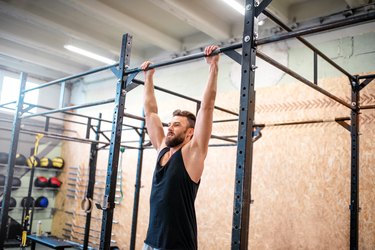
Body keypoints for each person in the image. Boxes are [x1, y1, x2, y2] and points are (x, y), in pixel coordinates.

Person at [141, 45, 220, 250]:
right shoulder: (162, 150)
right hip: (150, 243)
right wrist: (148, 78)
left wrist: (213, 66)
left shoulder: (192, 154)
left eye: (177, 125)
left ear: (190, 133)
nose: (170, 128)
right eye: (170, 124)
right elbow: (150, 113)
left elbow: (207, 107)